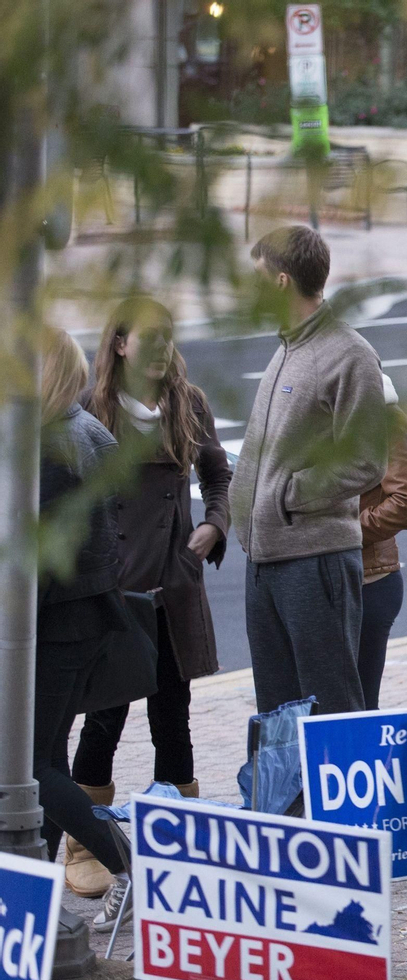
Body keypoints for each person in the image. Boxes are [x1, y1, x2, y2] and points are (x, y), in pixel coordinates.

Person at [64, 297, 231, 901]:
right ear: (120, 344)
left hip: (173, 587)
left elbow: (217, 470)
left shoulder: (188, 403)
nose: (161, 351)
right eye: (149, 340)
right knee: (105, 718)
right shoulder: (91, 410)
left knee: (172, 717)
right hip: (115, 590)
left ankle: (175, 847)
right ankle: (84, 846)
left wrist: (213, 524)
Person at [231, 225, 388, 717]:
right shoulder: (287, 348)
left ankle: (335, 797)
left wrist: (287, 496)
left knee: (329, 704)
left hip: (315, 560)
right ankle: (281, 799)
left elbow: (366, 460)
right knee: (275, 712)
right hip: (266, 559)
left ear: (280, 281)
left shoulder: (349, 353)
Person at [34, 328, 135, 931]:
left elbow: (42, 559)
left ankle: (132, 864)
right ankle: (37, 887)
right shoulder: (84, 429)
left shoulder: (54, 447)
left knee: (25, 765)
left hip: (56, 627)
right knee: (45, 758)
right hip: (82, 621)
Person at [357, 373, 407, 709]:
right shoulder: (314, 410)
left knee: (357, 705)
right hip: (316, 574)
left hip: (368, 580)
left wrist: (342, 532)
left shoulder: (384, 419)